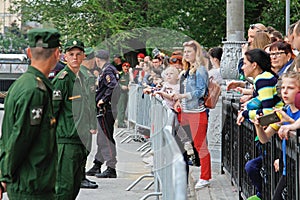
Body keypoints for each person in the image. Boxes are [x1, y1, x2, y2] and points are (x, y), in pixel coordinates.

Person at [0, 28, 61, 200]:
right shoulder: (35, 90)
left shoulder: (22, 84)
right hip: (31, 185)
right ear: (57, 53)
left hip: (29, 183)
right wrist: (5, 175)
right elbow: (20, 138)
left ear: (29, 52)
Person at [236, 48, 284, 200]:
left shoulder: (263, 79)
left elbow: (268, 113)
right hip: (271, 130)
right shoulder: (264, 78)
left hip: (273, 129)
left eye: (244, 63)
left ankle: (263, 194)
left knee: (254, 166)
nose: (242, 67)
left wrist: (245, 113)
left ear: (254, 65)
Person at [52, 39, 92, 199]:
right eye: (71, 54)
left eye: (78, 54)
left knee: (74, 187)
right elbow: (53, 112)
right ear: (64, 57)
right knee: (64, 188)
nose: (75, 57)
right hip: (66, 140)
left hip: (81, 140)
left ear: (83, 56)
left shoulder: (83, 78)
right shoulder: (62, 80)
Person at [253, 71, 300, 200]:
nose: (285, 92)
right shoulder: (284, 111)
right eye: (283, 87)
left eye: (290, 88)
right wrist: (258, 126)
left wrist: (289, 121)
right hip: (288, 169)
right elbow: (264, 138)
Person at [172, 40, 211, 189]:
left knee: (200, 145)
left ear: (196, 53)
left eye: (189, 51)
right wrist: (179, 101)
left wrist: (182, 97)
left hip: (197, 112)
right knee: (181, 142)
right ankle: (182, 173)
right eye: (185, 52)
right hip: (186, 111)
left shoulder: (200, 70)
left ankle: (205, 177)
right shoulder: (187, 70)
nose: (186, 54)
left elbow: (201, 92)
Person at [86, 50, 119, 178]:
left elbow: (113, 86)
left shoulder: (107, 70)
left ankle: (111, 167)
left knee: (105, 138)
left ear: (97, 59)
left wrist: (103, 99)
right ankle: (97, 164)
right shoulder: (109, 69)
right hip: (107, 109)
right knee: (102, 137)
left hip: (106, 109)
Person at [80, 47, 98, 189]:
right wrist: (93, 124)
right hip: (85, 119)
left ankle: (80, 176)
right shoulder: (88, 76)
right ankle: (80, 177)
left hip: (78, 117)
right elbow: (91, 102)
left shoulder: (78, 73)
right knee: (85, 148)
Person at [117, 62, 130, 128]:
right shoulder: (120, 74)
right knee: (121, 108)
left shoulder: (129, 75)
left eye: (127, 66)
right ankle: (120, 123)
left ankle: (122, 120)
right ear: (122, 67)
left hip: (126, 93)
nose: (126, 67)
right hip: (121, 93)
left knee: (124, 107)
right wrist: (121, 86)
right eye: (125, 66)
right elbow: (116, 83)